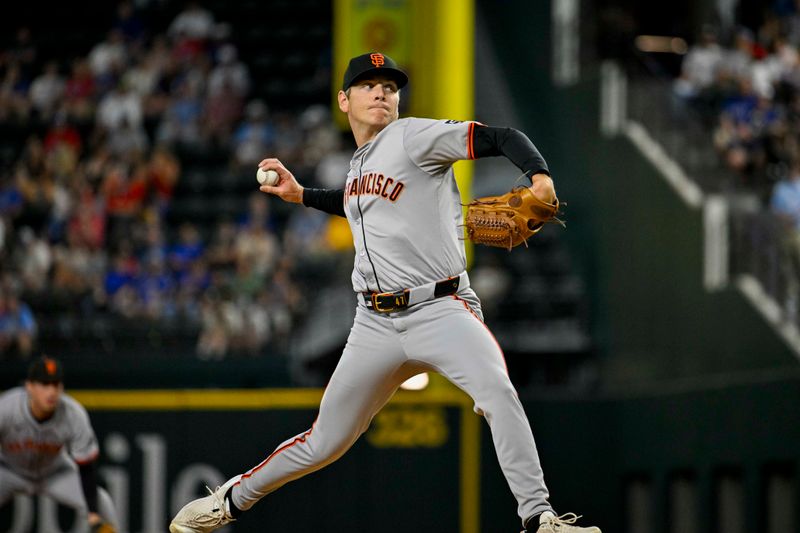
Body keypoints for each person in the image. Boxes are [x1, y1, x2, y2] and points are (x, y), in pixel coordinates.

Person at [169, 52, 600, 533]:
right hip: (373, 324)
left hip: (441, 309)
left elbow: (503, 138)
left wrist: (539, 175)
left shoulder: (413, 137)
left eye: (389, 87)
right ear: (344, 99)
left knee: (498, 391)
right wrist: (303, 195)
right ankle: (229, 500)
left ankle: (539, 517)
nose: (381, 92)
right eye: (369, 84)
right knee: (324, 443)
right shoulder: (358, 164)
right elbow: (356, 201)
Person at [0, 356, 120, 531]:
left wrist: (93, 514)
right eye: (44, 384)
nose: (51, 391)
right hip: (10, 470)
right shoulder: (6, 409)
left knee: (102, 501)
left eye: (56, 384)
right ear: (29, 387)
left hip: (53, 473)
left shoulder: (73, 414)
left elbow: (86, 467)